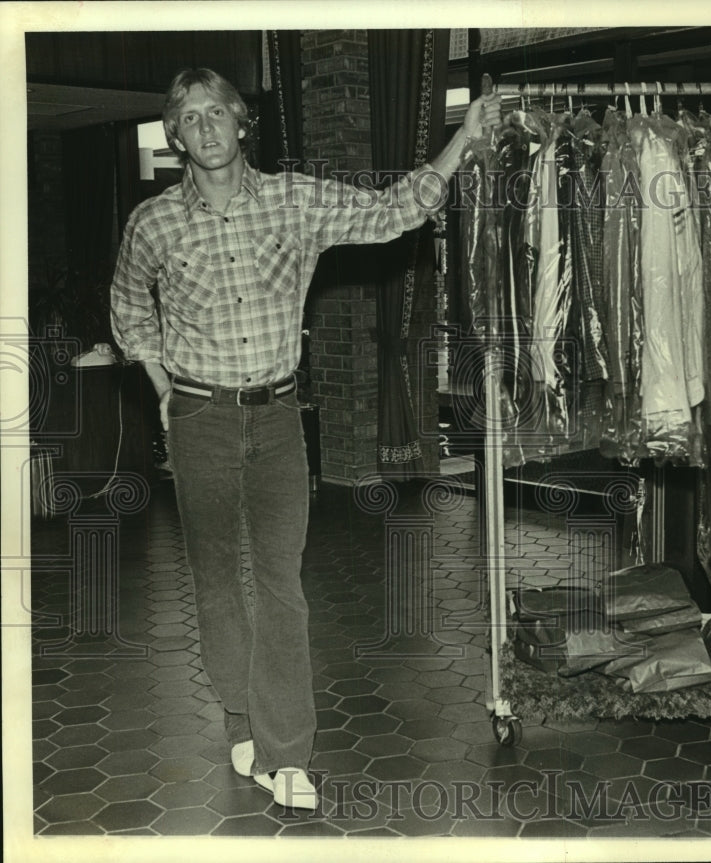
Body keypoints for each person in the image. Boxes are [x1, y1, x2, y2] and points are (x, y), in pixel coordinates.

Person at [110, 67, 500, 810]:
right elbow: (129, 307)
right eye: (189, 117)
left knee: (281, 585)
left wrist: (460, 144)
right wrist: (163, 390)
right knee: (219, 584)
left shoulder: (293, 198)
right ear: (176, 136)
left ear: (241, 122)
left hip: (281, 417)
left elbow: (392, 212)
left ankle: (288, 752)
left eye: (216, 111)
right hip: (199, 419)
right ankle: (238, 713)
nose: (206, 126)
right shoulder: (153, 222)